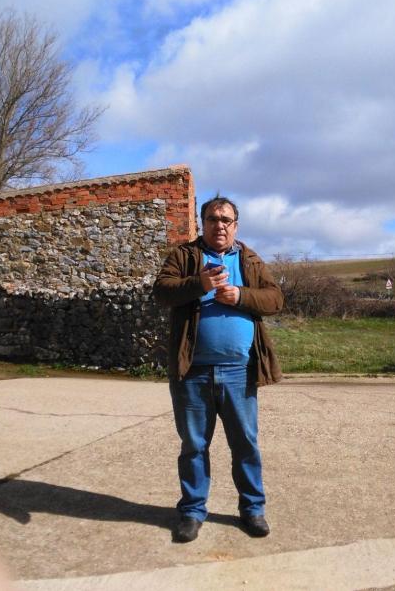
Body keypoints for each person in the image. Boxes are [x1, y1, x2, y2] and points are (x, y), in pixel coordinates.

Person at [153, 195, 283, 543]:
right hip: (192, 372)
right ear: (203, 223)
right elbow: (162, 291)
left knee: (245, 444)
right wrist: (201, 284)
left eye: (226, 220)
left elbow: (274, 299)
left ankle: (252, 509)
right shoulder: (184, 256)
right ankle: (192, 512)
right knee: (194, 445)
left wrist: (240, 296)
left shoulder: (250, 259)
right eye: (213, 219)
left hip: (240, 371)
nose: (220, 225)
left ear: (235, 226)